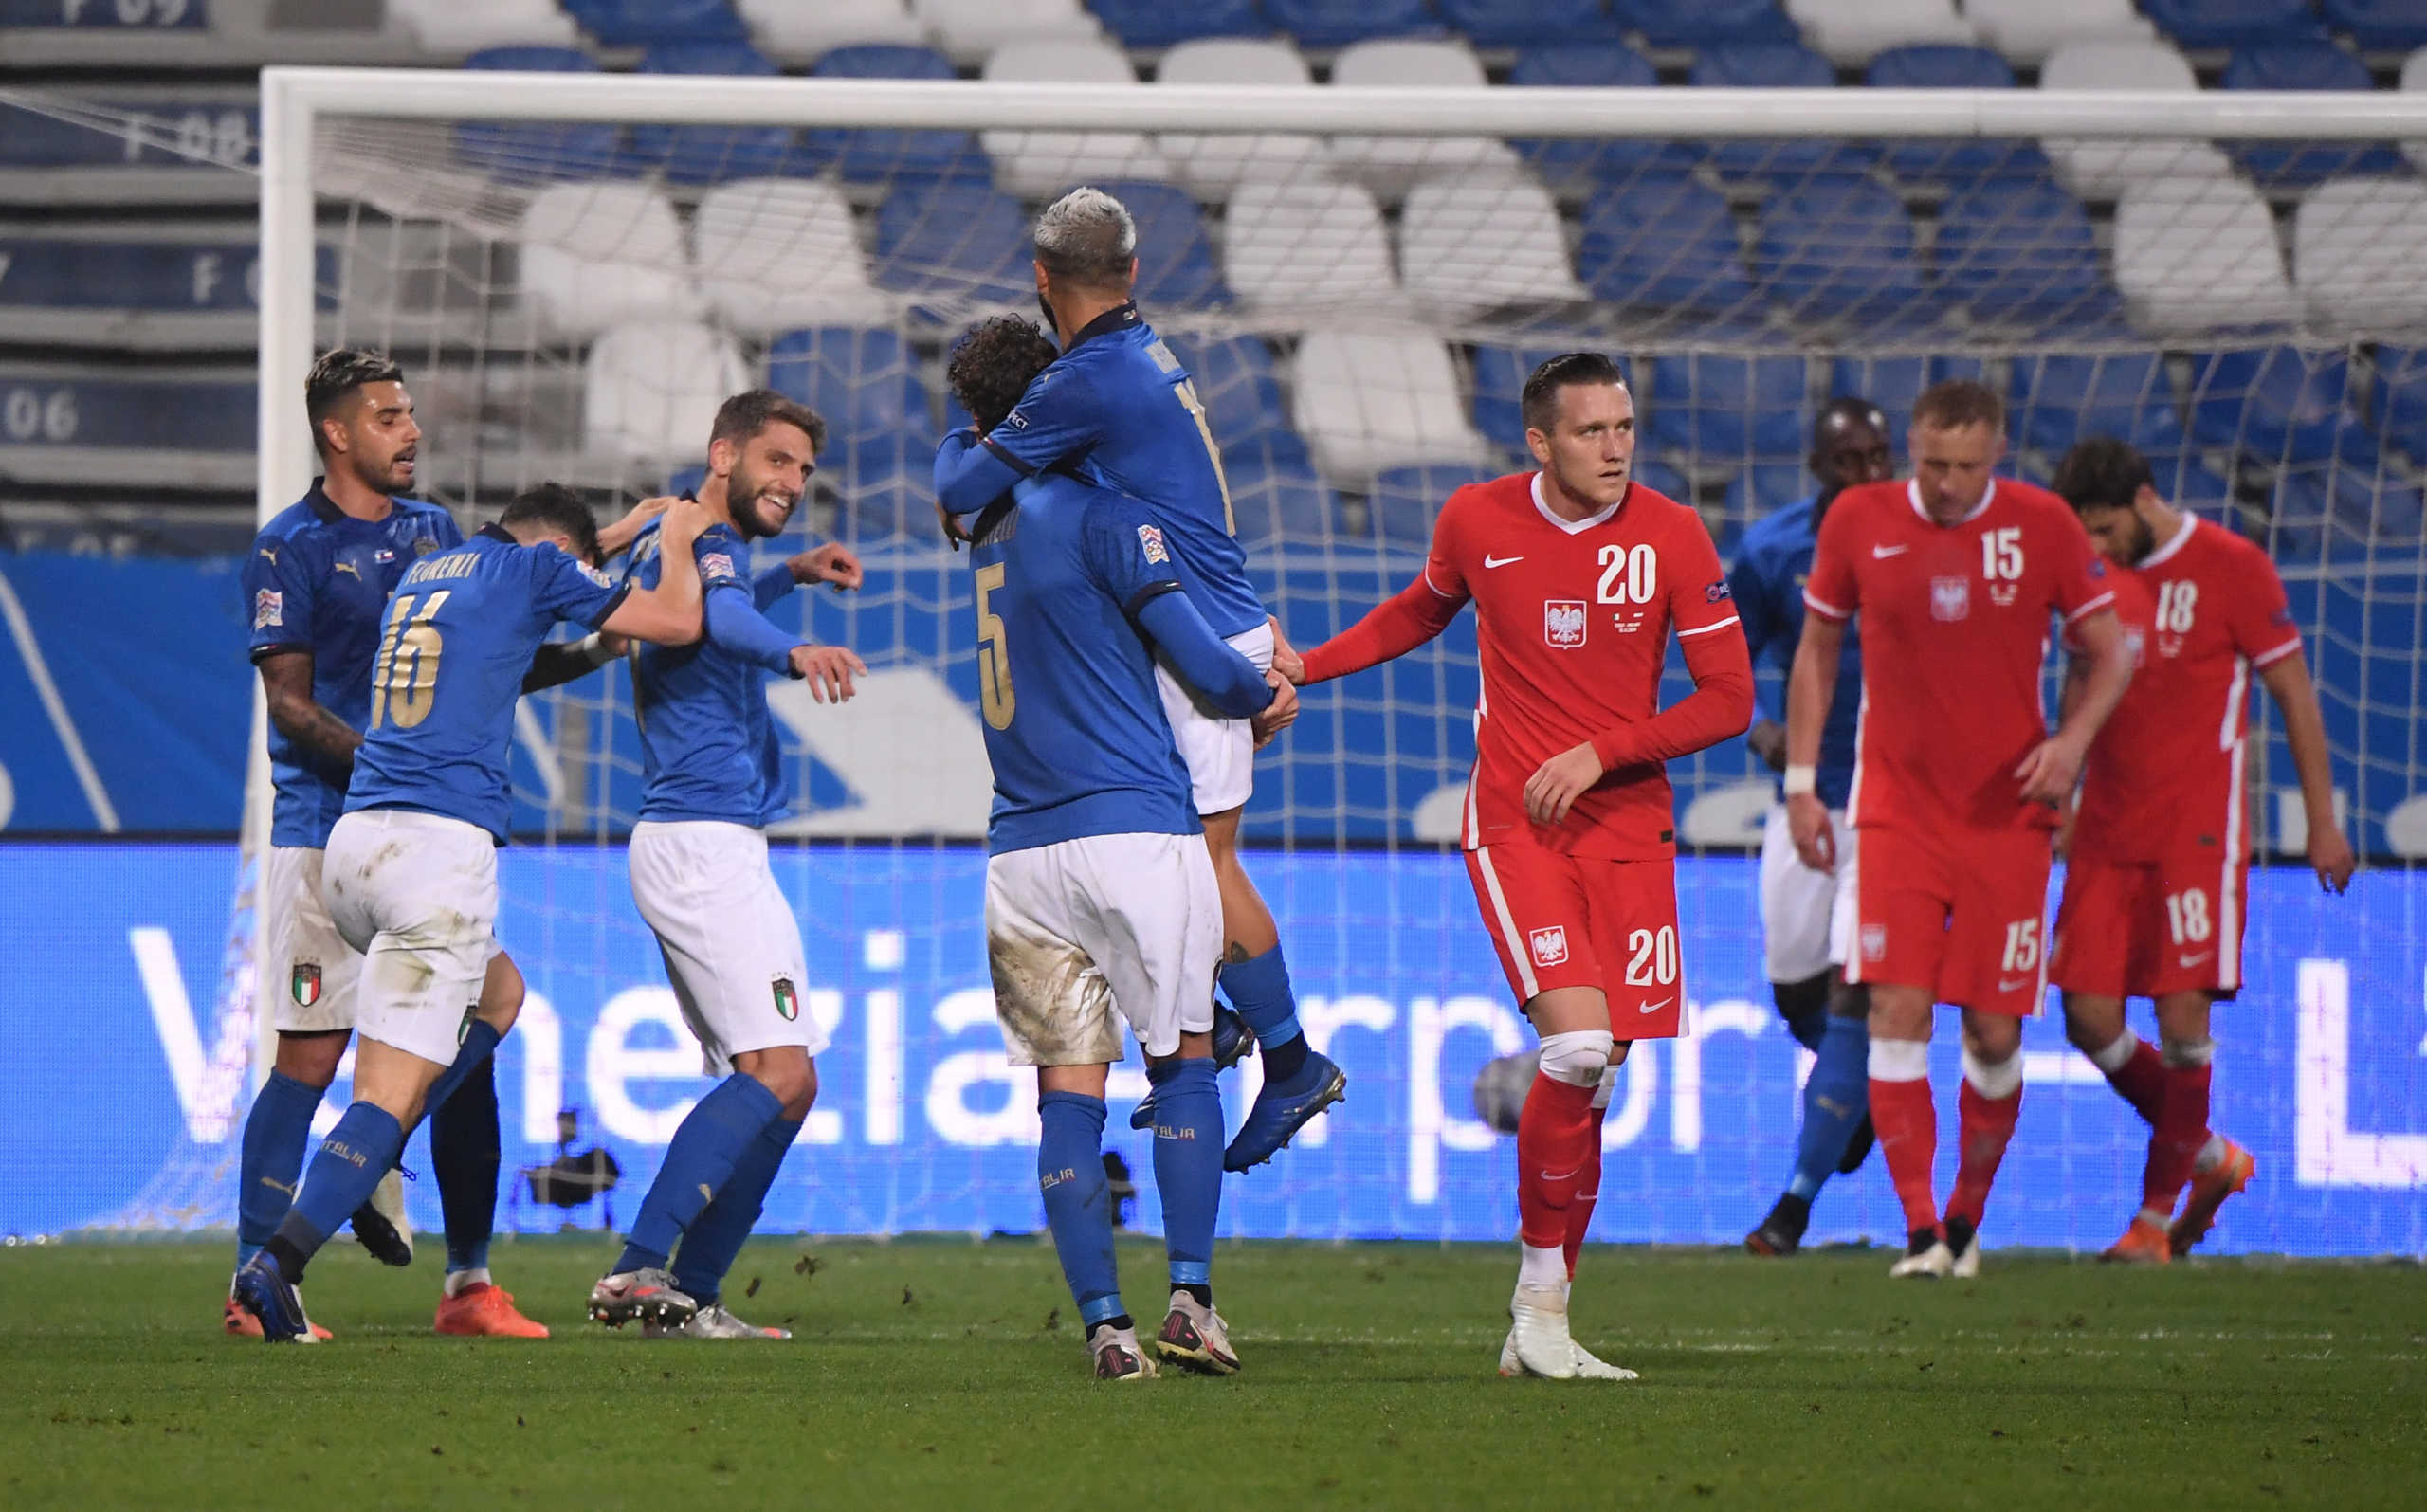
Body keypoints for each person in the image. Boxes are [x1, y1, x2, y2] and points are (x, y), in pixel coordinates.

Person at [1284, 353, 1752, 1380]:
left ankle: (1545, 1324)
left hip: (1628, 829)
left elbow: (1728, 697)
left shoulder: (1673, 533)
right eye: (1591, 431)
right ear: (1539, 441)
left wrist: (1602, 750)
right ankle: (1536, 1309)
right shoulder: (1477, 519)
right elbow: (1417, 608)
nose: (1615, 447)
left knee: (1599, 1074)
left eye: (1624, 426)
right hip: (1516, 823)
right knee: (1579, 1047)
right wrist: (1306, 664)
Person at [233, 349, 654, 1339]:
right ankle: (253, 1285)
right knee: (308, 1055)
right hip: (322, 830)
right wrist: (388, 762)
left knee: (488, 1007)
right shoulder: (288, 544)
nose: (411, 431)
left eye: (411, 412)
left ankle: (465, 1276)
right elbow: (289, 706)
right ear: (337, 433)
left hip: (413, 827)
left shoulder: (437, 536)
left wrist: (594, 615)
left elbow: (491, 665)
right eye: (387, 416)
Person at [932, 187, 1342, 1170]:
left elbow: (958, 492)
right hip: (1211, 625)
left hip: (1203, 640)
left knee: (1199, 866)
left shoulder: (1083, 379)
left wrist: (962, 425)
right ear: (1133, 269)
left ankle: (1282, 1058)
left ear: (1041, 279)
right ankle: (1221, 1033)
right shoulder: (1143, 352)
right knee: (1163, 863)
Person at [945, 316, 1296, 1379]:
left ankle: (1104, 1324)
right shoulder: (1110, 519)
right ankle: (1188, 1299)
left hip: (1020, 852)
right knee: (1185, 1063)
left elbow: (955, 463)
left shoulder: (977, 522)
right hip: (1135, 834)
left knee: (1067, 1092)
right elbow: (1206, 666)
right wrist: (1263, 693)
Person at [1787, 379, 2134, 1280]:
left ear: (1999, 456)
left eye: (1966, 468)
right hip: (1895, 813)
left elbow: (2115, 651)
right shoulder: (1859, 520)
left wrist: (2071, 746)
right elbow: (1818, 649)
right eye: (1933, 464)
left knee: (1991, 1034)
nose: (1946, 484)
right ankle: (1919, 1231)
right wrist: (1798, 780)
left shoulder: (2045, 525)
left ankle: (1967, 1221)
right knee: (1896, 1007)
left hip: (2007, 820)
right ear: (1912, 447)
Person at [587, 392, 867, 1339]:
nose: (791, 481)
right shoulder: (702, 529)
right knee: (781, 1069)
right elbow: (732, 622)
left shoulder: (688, 530)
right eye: (777, 461)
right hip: (702, 842)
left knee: (787, 1075)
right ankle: (638, 1269)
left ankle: (692, 1294)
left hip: (706, 840)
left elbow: (716, 609)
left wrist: (787, 572)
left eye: (803, 470)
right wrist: (795, 647)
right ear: (724, 453)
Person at [2048, 438, 2354, 1262]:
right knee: (2086, 1016)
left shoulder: (2233, 565)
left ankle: (2153, 1221)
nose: (2100, 550)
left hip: (2197, 837)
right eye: (2089, 538)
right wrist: (2067, 788)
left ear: (2145, 500)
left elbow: (2292, 693)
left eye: (2109, 531)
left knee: (2183, 1022)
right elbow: (2080, 683)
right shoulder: (2092, 573)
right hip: (2106, 831)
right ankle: (2210, 1155)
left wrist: (2322, 821)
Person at [1729, 398, 1895, 1258]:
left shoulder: (1919, 540)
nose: (1867, 475)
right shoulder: (1771, 549)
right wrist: (1760, 721)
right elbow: (1727, 648)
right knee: (1797, 990)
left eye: (1879, 457)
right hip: (1806, 797)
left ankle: (1792, 1205)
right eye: (1849, 461)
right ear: (1818, 467)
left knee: (1852, 993)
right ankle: (1847, 1094)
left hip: (1897, 804)